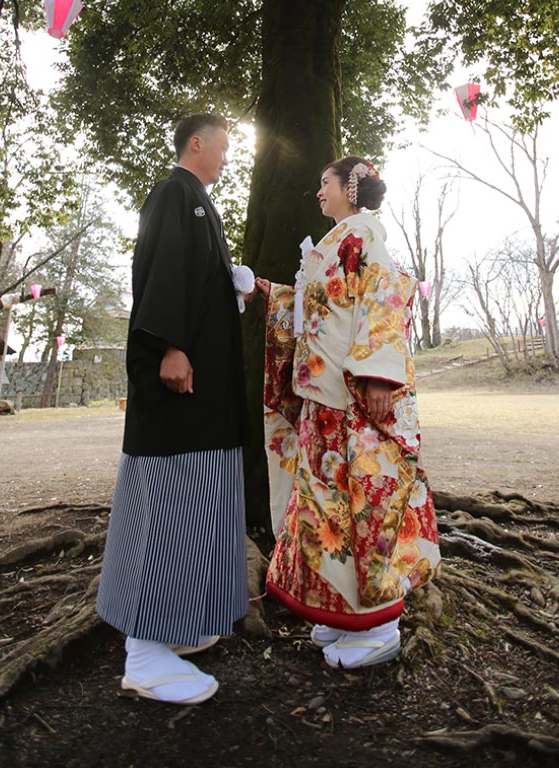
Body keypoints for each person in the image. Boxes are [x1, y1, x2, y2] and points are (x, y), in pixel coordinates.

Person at [255, 156, 441, 669]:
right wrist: (264, 291)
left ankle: (379, 621)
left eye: (324, 182)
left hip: (356, 397)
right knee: (324, 506)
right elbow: (312, 308)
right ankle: (342, 612)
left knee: (365, 502)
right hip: (323, 397)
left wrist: (381, 374)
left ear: (351, 188)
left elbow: (384, 299)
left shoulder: (366, 238)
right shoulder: (332, 244)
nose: (319, 192)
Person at [96, 114, 251, 705]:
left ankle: (182, 625)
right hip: (177, 376)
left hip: (205, 389)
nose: (227, 157)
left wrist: (228, 286)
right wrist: (172, 345)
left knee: (204, 492)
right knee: (167, 495)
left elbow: (195, 282)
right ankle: (145, 648)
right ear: (197, 143)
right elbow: (159, 274)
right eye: (223, 146)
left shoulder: (201, 201)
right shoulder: (173, 191)